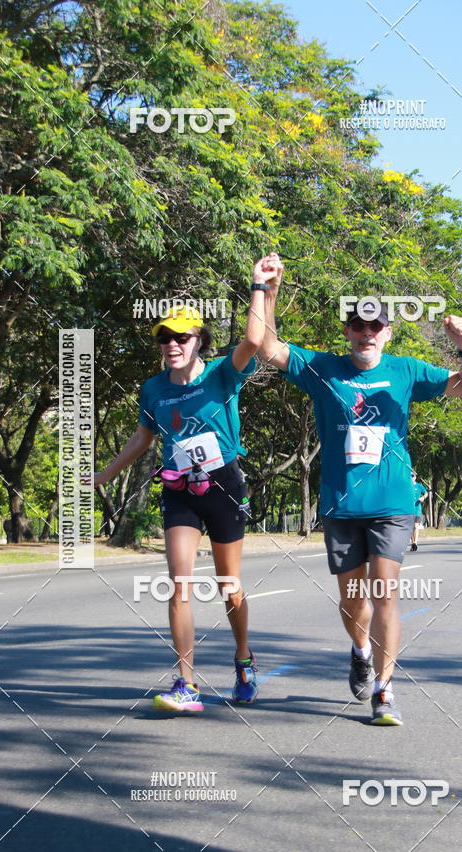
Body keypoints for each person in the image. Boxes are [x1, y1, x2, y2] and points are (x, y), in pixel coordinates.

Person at [259, 255, 462, 725]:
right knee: (352, 599)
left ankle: (384, 689)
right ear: (348, 332)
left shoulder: (406, 371)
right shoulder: (323, 369)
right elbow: (265, 345)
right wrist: (268, 290)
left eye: (375, 327)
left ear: (387, 332)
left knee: (384, 594)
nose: (366, 335)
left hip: (392, 503)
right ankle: (359, 649)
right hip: (341, 504)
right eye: (358, 327)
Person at [94, 256, 280, 712]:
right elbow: (143, 438)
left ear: (199, 342)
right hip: (178, 487)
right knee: (178, 583)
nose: (173, 344)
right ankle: (186, 684)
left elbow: (255, 339)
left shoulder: (222, 374)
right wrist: (102, 475)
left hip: (223, 484)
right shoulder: (153, 388)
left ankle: (243, 659)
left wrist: (260, 285)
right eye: (165, 338)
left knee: (228, 584)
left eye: (182, 337)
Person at [409, 471, 428, 551]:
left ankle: (415, 543)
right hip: (408, 510)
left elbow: (426, 493)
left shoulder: (419, 486)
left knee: (416, 526)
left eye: (412, 476)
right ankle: (412, 543)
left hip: (417, 509)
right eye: (409, 476)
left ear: (415, 477)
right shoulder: (406, 486)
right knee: (410, 528)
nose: (411, 477)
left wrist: (423, 498)